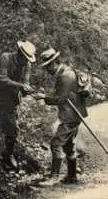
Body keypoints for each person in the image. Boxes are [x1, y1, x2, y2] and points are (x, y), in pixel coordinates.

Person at [33, 48, 88, 185]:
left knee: (56, 144)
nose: (47, 70)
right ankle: (72, 176)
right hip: (74, 114)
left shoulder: (65, 76)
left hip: (70, 116)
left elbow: (60, 99)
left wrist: (43, 97)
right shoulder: (65, 71)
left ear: (54, 63)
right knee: (69, 145)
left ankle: (54, 176)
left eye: (48, 67)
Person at [0, 41, 36, 169]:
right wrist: (21, 86)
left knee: (12, 127)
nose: (25, 61)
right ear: (19, 53)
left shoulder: (27, 65)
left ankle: (8, 153)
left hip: (11, 97)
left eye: (27, 59)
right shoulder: (5, 58)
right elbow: (1, 79)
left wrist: (27, 90)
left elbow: (26, 82)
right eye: (24, 58)